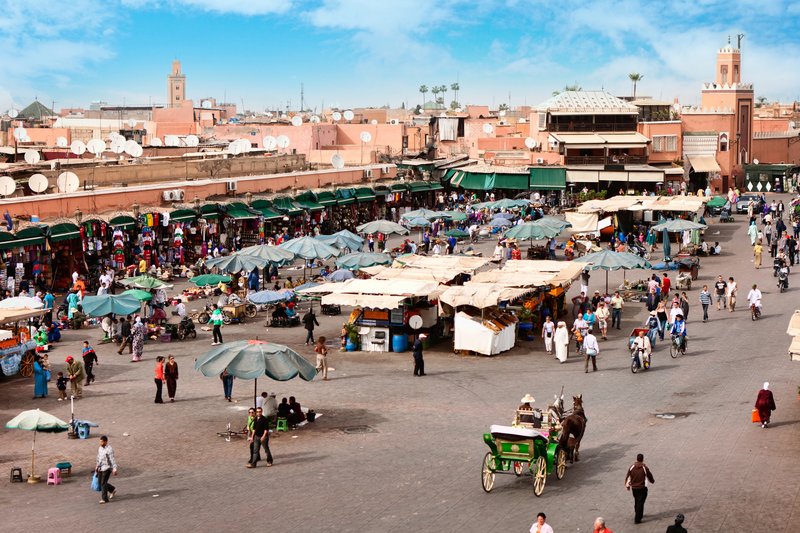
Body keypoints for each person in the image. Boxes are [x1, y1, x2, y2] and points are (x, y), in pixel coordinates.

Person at [625, 453, 655, 524]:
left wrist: (627, 485)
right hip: (642, 488)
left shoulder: (632, 467)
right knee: (640, 502)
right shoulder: (644, 468)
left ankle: (637, 512)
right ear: (642, 459)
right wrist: (652, 481)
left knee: (637, 500)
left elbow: (628, 476)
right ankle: (637, 518)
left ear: (636, 459)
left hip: (634, 488)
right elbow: (649, 475)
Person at [96, 435, 118, 504]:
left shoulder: (109, 449)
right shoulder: (100, 448)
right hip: (101, 468)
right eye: (100, 442)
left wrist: (114, 469)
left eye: (102, 442)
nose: (101, 443)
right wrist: (97, 466)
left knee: (103, 483)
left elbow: (112, 459)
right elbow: (98, 457)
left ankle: (104, 499)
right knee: (100, 482)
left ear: (106, 442)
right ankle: (112, 489)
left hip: (107, 468)